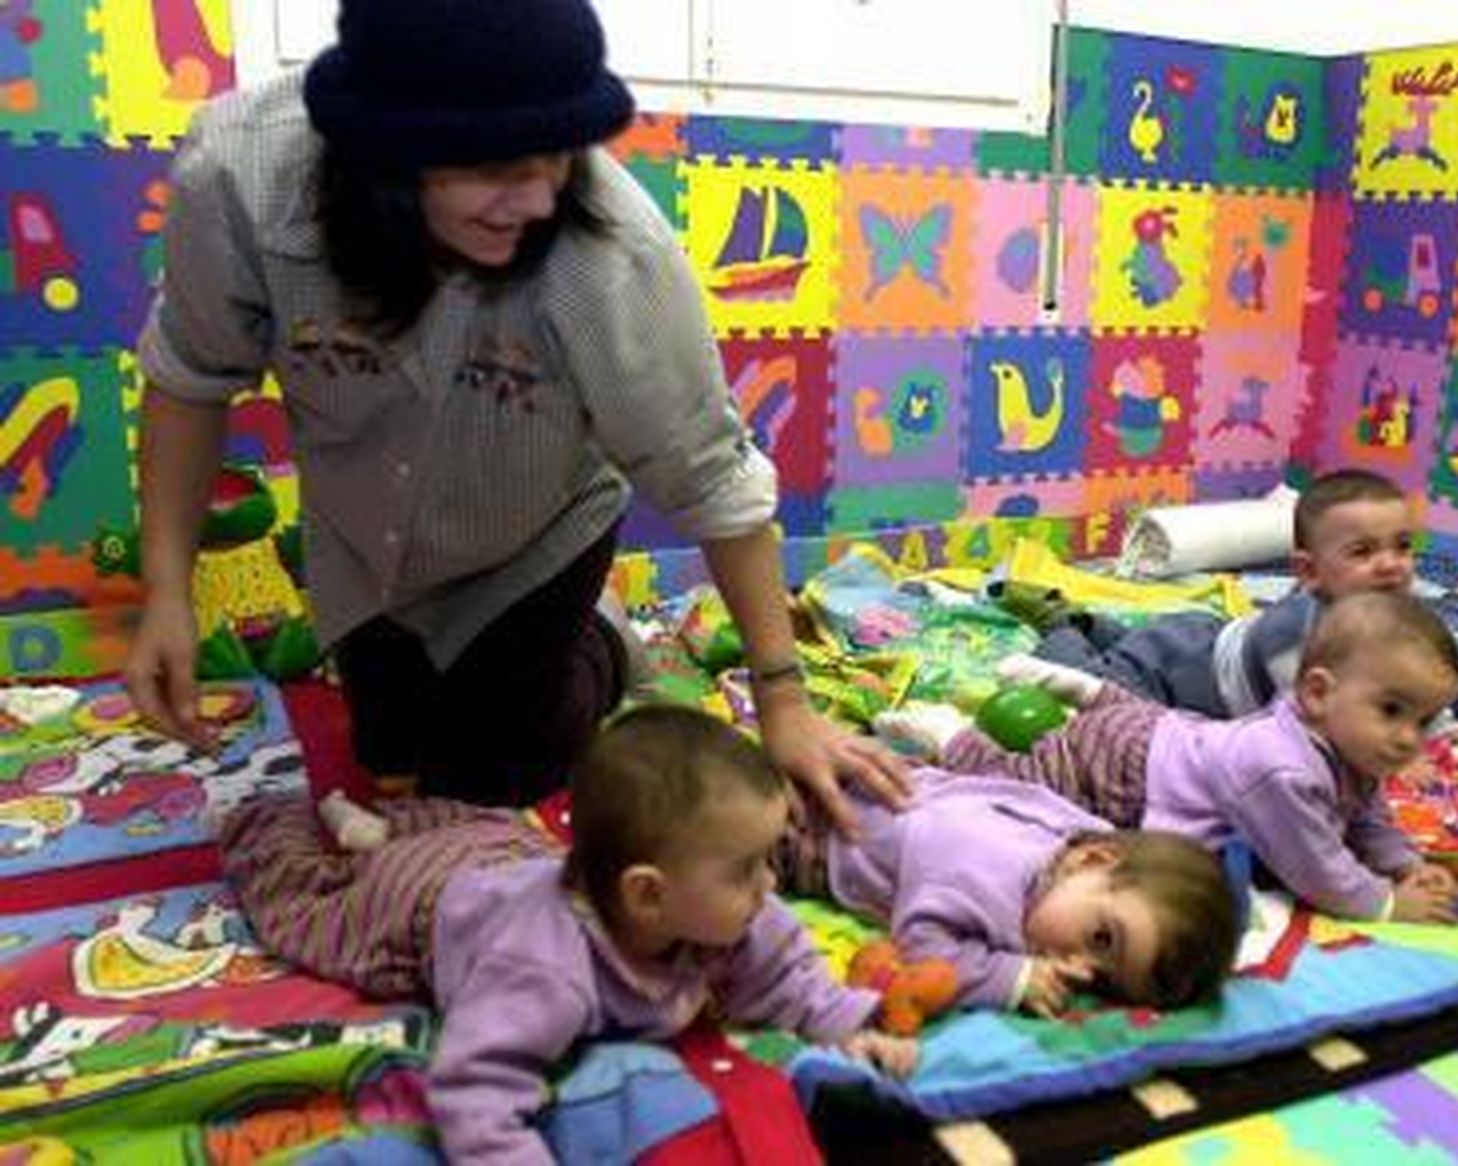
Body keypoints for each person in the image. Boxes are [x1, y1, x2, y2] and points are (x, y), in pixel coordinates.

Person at [124, 0, 906, 822]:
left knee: (487, 779)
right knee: (388, 754)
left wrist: (784, 702)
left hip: (535, 534)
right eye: (495, 167)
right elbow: (190, 379)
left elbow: (714, 477)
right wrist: (168, 595)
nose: (535, 201)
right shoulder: (238, 177)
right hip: (360, 536)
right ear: (386, 146)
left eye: (557, 156)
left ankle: (602, 644)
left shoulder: (611, 252)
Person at [218, 705, 918, 1165]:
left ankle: (375, 825)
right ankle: (300, 822)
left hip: (516, 860)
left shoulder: (723, 912)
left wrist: (846, 1026)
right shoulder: (540, 974)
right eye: (745, 869)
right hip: (427, 903)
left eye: (767, 860)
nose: (770, 884)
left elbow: (788, 971)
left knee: (477, 832)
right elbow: (474, 1091)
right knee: (306, 898)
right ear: (648, 893)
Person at [879, 590, 1458, 924]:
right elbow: (1315, 866)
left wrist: (1404, 864)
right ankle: (948, 734)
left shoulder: (1354, 749)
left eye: (1423, 721)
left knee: (1098, 721)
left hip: (1164, 734)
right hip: (1127, 774)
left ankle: (1079, 689)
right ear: (1316, 692)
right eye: (1391, 711)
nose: (1407, 739)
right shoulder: (1283, 770)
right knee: (1021, 784)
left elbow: (1367, 817)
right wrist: (1386, 903)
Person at [775, 770, 1240, 1017]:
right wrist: (1008, 978)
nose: (1077, 971)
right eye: (1102, 939)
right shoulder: (993, 886)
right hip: (805, 830)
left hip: (883, 777)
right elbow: (919, 946)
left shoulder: (1079, 843)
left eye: (1102, 982)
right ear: (1092, 861)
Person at [1018, 469, 1419, 720]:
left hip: (1208, 636)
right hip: (1180, 666)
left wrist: (1440, 728)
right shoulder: (1299, 627)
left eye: (1402, 546)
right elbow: (1307, 724)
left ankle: (1103, 630)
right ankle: (1061, 623)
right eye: (1363, 552)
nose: (1391, 564)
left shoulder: (1398, 615)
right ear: (1311, 572)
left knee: (1132, 642)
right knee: (1101, 693)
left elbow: (1419, 675)